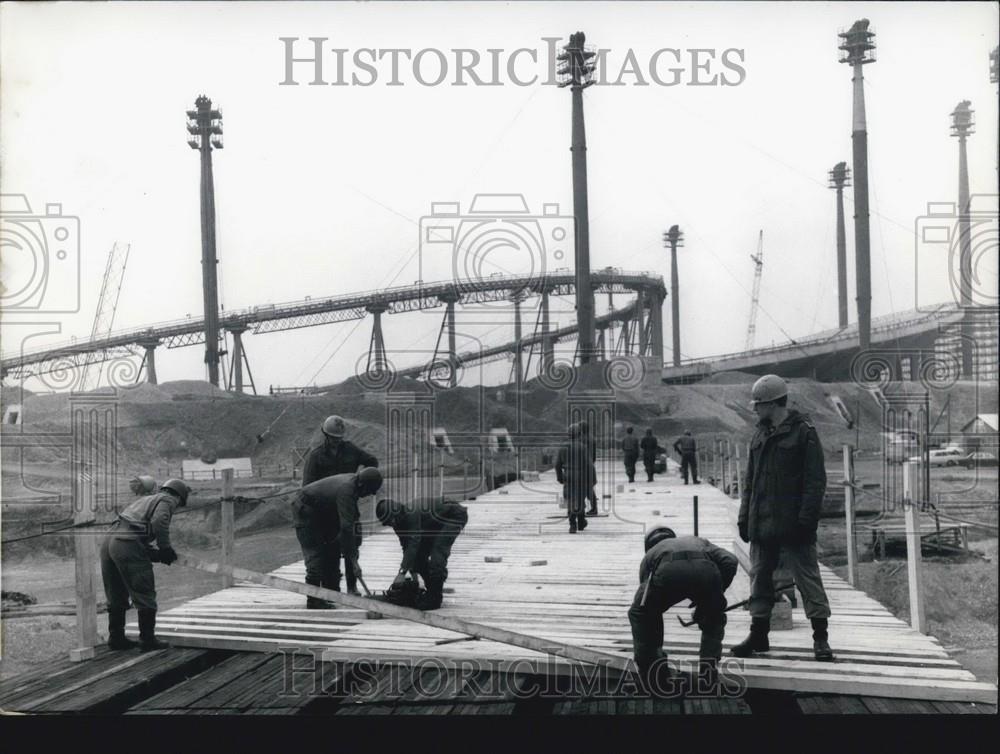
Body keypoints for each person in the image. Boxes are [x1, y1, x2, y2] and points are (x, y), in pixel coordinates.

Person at [732, 374, 834, 662]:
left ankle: (820, 638)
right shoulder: (759, 434)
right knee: (759, 579)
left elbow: (815, 482)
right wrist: (745, 517)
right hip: (762, 525)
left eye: (759, 404)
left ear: (773, 403)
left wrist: (806, 522)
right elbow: (750, 481)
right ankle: (759, 635)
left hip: (794, 526)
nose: (754, 409)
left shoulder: (804, 433)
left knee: (808, 581)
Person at [628, 526, 738, 693]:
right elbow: (730, 561)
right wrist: (712, 597)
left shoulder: (651, 553)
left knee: (642, 614)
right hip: (706, 571)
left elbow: (644, 602)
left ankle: (654, 675)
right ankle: (708, 675)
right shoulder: (697, 540)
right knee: (714, 618)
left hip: (667, 572)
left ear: (648, 545)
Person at [100, 478, 191, 651]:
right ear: (179, 496)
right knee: (144, 589)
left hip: (110, 539)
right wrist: (165, 548)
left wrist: (154, 554)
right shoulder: (167, 499)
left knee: (116, 591)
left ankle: (116, 638)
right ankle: (148, 640)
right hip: (126, 541)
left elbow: (134, 534)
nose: (176, 506)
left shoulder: (146, 500)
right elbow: (159, 522)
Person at [302, 415, 380, 595]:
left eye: (339, 439)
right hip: (326, 510)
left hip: (347, 504)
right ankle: (332, 589)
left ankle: (352, 587)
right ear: (326, 436)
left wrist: (360, 480)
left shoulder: (351, 450)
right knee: (330, 549)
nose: (337, 442)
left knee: (351, 542)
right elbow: (307, 487)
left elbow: (372, 462)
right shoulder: (315, 456)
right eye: (333, 438)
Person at [291, 467, 383, 608]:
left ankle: (332, 591)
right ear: (362, 486)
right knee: (316, 555)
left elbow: (352, 528)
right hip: (306, 510)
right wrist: (353, 561)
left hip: (324, 509)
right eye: (369, 491)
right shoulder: (346, 491)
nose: (369, 495)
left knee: (334, 546)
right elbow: (347, 529)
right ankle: (314, 600)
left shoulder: (354, 484)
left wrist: (354, 553)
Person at [375, 497, 469, 610]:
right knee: (419, 558)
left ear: (397, 512)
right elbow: (406, 547)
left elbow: (414, 543)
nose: (391, 524)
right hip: (433, 523)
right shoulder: (398, 523)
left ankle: (435, 599)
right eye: (388, 523)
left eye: (391, 520)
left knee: (437, 554)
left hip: (453, 516)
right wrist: (413, 572)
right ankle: (431, 590)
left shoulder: (411, 513)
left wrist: (402, 573)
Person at [555, 422, 596, 534]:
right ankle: (581, 522)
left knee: (570, 500)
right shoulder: (582, 447)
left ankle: (572, 524)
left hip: (568, 476)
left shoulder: (563, 447)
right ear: (578, 434)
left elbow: (557, 465)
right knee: (580, 499)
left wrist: (560, 477)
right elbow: (589, 465)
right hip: (581, 476)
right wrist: (592, 479)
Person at [578, 421, 599, 516]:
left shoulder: (581, 439)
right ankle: (593, 508)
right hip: (590, 465)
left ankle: (586, 508)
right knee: (588, 487)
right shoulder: (592, 438)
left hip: (582, 466)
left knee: (584, 488)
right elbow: (594, 456)